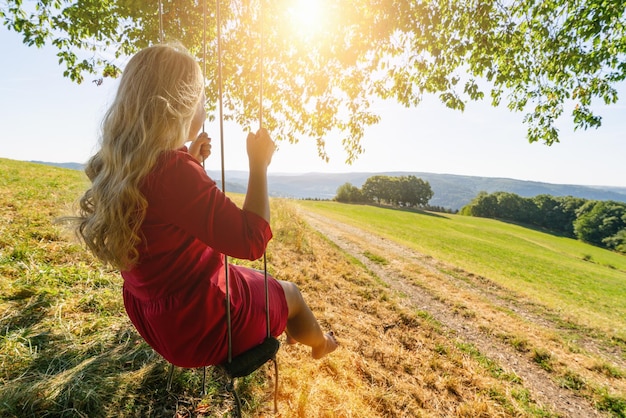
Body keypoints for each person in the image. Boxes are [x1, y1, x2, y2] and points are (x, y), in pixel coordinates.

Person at [75, 43, 337, 368]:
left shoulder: (120, 164)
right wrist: (258, 165)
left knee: (255, 283)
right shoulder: (172, 173)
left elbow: (168, 212)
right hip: (203, 324)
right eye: (201, 99)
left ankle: (280, 318)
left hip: (162, 318)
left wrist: (191, 162)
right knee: (292, 294)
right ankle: (322, 342)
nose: (204, 107)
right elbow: (251, 238)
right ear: (181, 106)